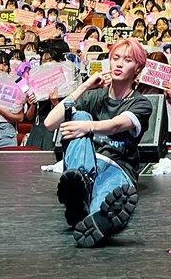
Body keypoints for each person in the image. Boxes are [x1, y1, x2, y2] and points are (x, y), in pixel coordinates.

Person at [42, 37, 151, 247]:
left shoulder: (141, 103)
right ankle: (80, 186)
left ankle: (92, 216)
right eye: (115, 58)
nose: (119, 64)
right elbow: (49, 122)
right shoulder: (93, 97)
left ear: (137, 67)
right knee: (81, 116)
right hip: (85, 162)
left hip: (117, 167)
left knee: (106, 196)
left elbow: (117, 125)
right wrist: (84, 86)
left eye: (127, 60)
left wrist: (88, 128)